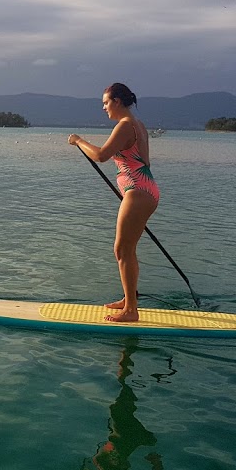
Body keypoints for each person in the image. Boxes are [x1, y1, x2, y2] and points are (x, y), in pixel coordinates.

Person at [68, 83, 159, 322]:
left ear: (118, 101)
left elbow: (101, 156)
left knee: (122, 249)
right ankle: (130, 300)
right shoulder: (139, 126)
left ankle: (131, 311)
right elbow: (145, 162)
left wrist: (78, 141)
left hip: (138, 192)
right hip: (147, 189)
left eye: (106, 103)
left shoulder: (125, 126)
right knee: (127, 249)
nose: (104, 108)